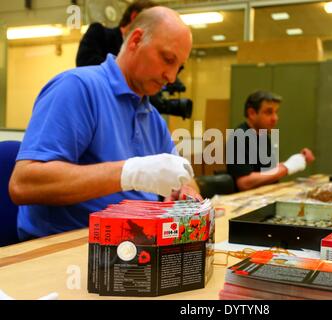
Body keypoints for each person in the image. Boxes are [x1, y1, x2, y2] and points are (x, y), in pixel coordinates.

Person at [9, 6, 199, 241]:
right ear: (136, 40)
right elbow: (24, 184)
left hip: (135, 247)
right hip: (69, 249)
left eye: (178, 67)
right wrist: (131, 172)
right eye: (167, 59)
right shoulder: (77, 88)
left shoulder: (152, 117)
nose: (171, 77)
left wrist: (186, 193)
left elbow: (184, 176)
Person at [226, 90, 315, 191]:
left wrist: (297, 159)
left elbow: (268, 171)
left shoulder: (263, 135)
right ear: (252, 113)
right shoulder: (239, 137)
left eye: (276, 112)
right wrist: (287, 168)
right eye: (269, 112)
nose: (275, 118)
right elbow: (244, 182)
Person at [76, 0, 156, 67]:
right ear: (134, 16)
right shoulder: (99, 32)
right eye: (150, 23)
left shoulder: (144, 49)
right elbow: (84, 62)